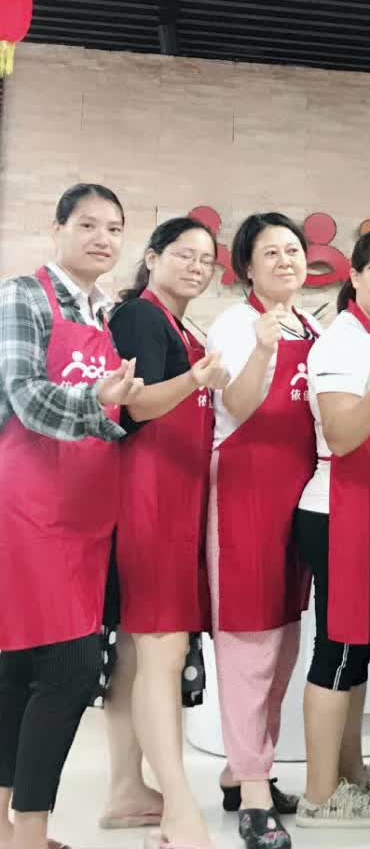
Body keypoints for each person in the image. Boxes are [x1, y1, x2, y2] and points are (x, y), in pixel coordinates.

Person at [0, 184, 144, 849]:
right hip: (29, 507)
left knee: (18, 667)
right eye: (87, 224)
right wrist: (96, 401)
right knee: (70, 670)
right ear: (57, 228)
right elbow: (25, 396)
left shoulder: (104, 311)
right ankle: (30, 833)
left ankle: (8, 828)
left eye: (113, 228)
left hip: (87, 511)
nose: (102, 238)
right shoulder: (22, 296)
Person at [106, 217, 231, 849]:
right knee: (162, 648)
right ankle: (180, 809)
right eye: (184, 254)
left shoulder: (182, 326)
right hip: (149, 501)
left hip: (175, 501)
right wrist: (196, 380)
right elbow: (137, 404)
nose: (196, 267)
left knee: (136, 651)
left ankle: (126, 791)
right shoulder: (140, 317)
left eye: (206, 260)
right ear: (152, 257)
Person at [292, 229, 370, 831]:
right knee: (338, 649)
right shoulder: (341, 341)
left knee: (359, 647)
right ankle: (320, 796)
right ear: (357, 277)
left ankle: (351, 770)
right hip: (338, 508)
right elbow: (341, 436)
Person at [206, 213, 321, 849]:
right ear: (246, 267)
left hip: (297, 497)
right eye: (269, 252)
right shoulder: (235, 323)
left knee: (282, 643)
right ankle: (255, 793)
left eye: (293, 250)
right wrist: (263, 348)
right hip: (246, 491)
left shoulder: (313, 325)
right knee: (249, 642)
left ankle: (244, 769)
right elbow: (237, 405)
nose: (285, 261)